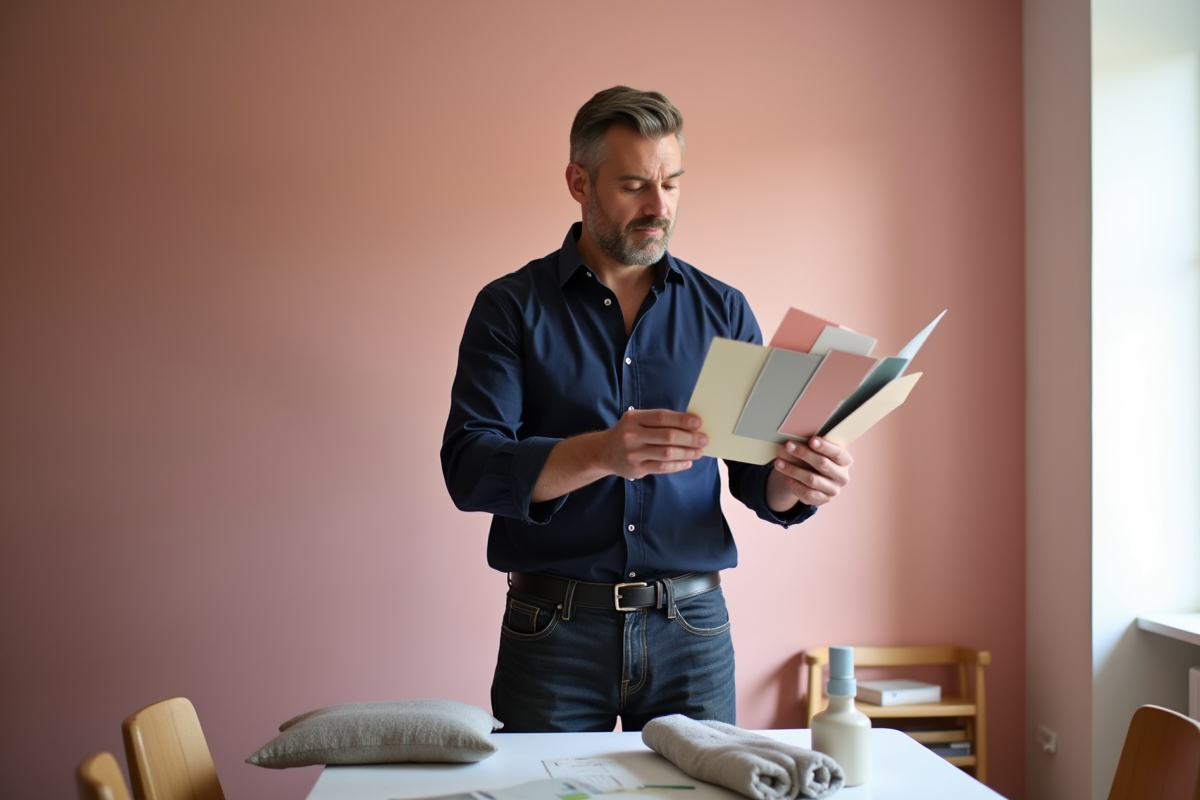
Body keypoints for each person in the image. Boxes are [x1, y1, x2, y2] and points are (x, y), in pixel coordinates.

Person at [441, 86, 853, 733]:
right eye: (633, 184)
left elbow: (754, 476)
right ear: (579, 181)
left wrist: (796, 481)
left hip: (692, 630)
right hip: (551, 629)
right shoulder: (510, 306)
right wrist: (601, 453)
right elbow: (470, 470)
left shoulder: (723, 309)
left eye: (672, 183)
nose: (658, 206)